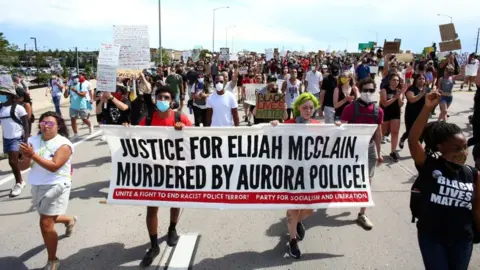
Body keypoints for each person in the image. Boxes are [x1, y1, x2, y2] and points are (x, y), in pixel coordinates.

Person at [408, 90, 480, 270]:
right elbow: (413, 140)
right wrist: (427, 108)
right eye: (456, 147)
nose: (463, 152)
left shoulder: (473, 174)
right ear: (440, 147)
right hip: (432, 237)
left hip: (463, 239)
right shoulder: (429, 165)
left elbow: (477, 208)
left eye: (464, 147)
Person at [135, 85, 192, 267]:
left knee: (175, 201)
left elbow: (195, 139)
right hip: (154, 171)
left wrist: (184, 130)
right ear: (155, 99)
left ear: (172, 100)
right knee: (152, 208)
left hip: (175, 168)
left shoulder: (179, 117)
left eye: (166, 97)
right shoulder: (148, 119)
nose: (163, 100)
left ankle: (172, 228)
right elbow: (135, 138)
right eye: (160, 97)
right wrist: (127, 130)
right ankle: (153, 246)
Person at [18, 111, 77, 270]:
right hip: (37, 185)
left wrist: (33, 155)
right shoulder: (32, 141)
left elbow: (54, 166)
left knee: (45, 222)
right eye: (43, 123)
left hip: (57, 185)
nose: (45, 126)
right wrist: (25, 157)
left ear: (58, 126)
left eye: (50, 124)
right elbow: (22, 167)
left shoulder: (64, 144)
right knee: (48, 218)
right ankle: (69, 220)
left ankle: (53, 260)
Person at [270, 92, 320, 259]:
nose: (307, 110)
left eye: (311, 108)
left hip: (310, 173)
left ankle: (297, 222)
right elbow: (275, 140)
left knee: (308, 208)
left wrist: (339, 127)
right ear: (298, 107)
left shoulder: (318, 125)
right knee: (293, 205)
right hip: (291, 172)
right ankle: (292, 240)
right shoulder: (289, 124)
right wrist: (276, 126)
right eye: (304, 107)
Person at [340, 78, 383, 230]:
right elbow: (341, 131)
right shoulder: (350, 108)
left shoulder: (379, 111)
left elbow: (378, 132)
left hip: (369, 148)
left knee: (367, 181)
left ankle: (362, 214)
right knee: (348, 177)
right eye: (365, 90)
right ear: (359, 89)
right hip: (352, 149)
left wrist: (379, 153)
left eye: (371, 90)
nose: (368, 93)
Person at [0, 85, 30, 197]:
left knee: (12, 161)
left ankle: (19, 183)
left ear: (11, 96)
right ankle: (24, 159)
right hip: (6, 138)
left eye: (3, 95)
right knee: (15, 160)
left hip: (17, 137)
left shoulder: (19, 108)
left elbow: (26, 123)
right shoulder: (1, 108)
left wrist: (26, 138)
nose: (1, 96)